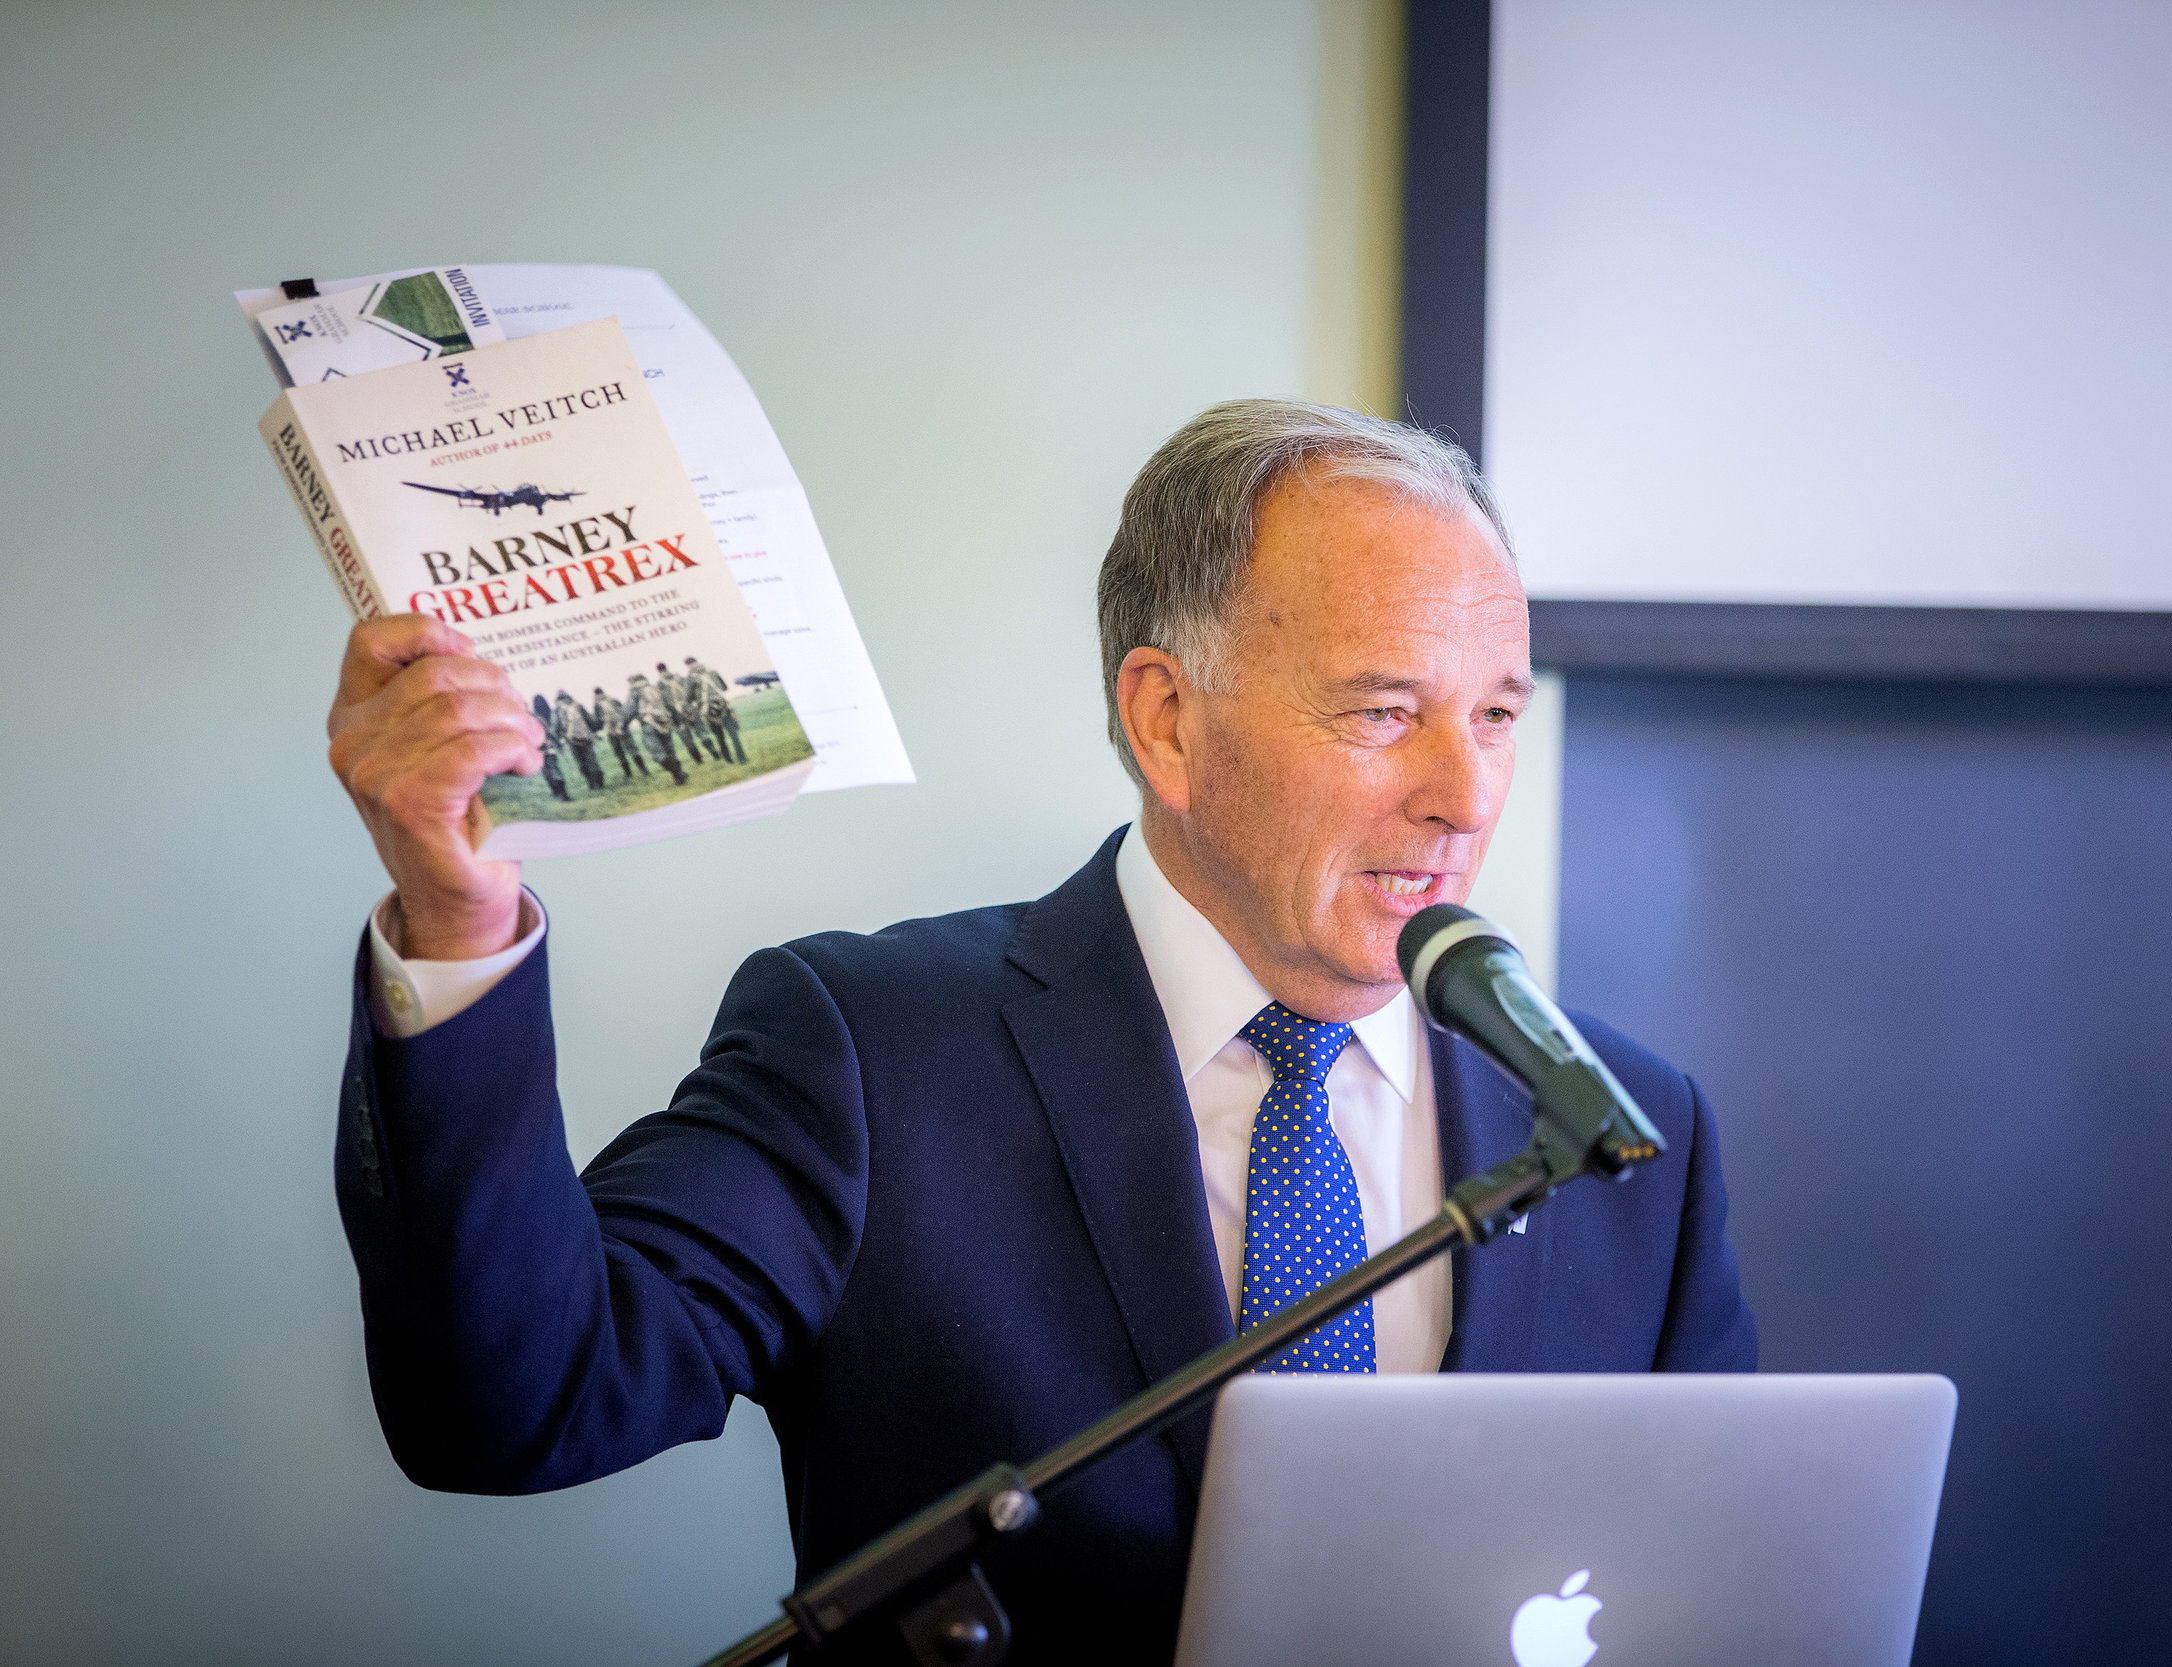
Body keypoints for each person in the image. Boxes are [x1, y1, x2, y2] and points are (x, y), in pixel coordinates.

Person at [321, 402, 1753, 1664]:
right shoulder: (869, 1052)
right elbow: (516, 1401)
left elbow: (1722, 1590)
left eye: (1496, 714)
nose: (1465, 792)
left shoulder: (1629, 1119)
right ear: (1167, 719)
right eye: (1387, 710)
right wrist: (455, 930)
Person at [624, 672, 688, 786]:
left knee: (658, 754)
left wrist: (622, 726)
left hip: (649, 724)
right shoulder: (655, 688)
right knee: (670, 752)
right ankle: (679, 778)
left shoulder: (635, 692)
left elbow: (630, 711)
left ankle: (678, 774)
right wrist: (677, 721)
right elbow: (669, 704)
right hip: (665, 722)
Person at [685, 655, 746, 763]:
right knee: (733, 735)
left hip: (708, 709)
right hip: (723, 704)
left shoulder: (690, 678)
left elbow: (688, 698)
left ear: (688, 666)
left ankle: (728, 760)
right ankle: (742, 759)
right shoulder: (712, 671)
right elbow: (724, 688)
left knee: (719, 737)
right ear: (697, 661)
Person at [591, 685, 648, 781]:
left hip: (611, 731)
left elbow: (598, 720)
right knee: (632, 749)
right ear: (603, 692)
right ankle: (643, 770)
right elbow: (623, 710)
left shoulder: (597, 705)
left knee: (619, 753)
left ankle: (628, 773)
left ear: (595, 695)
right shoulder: (612, 699)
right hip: (622, 727)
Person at [551, 690, 604, 790]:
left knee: (581, 762)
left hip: (572, 740)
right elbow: (589, 720)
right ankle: (600, 783)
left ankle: (591, 784)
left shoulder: (558, 710)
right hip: (586, 737)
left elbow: (555, 727)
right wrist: (595, 730)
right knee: (592, 760)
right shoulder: (578, 706)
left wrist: (558, 742)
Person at [528, 693, 568, 801]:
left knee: (546, 772)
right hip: (551, 747)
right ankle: (563, 793)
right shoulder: (551, 714)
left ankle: (557, 792)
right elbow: (554, 732)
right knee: (555, 769)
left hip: (539, 749)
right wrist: (559, 745)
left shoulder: (535, 717)